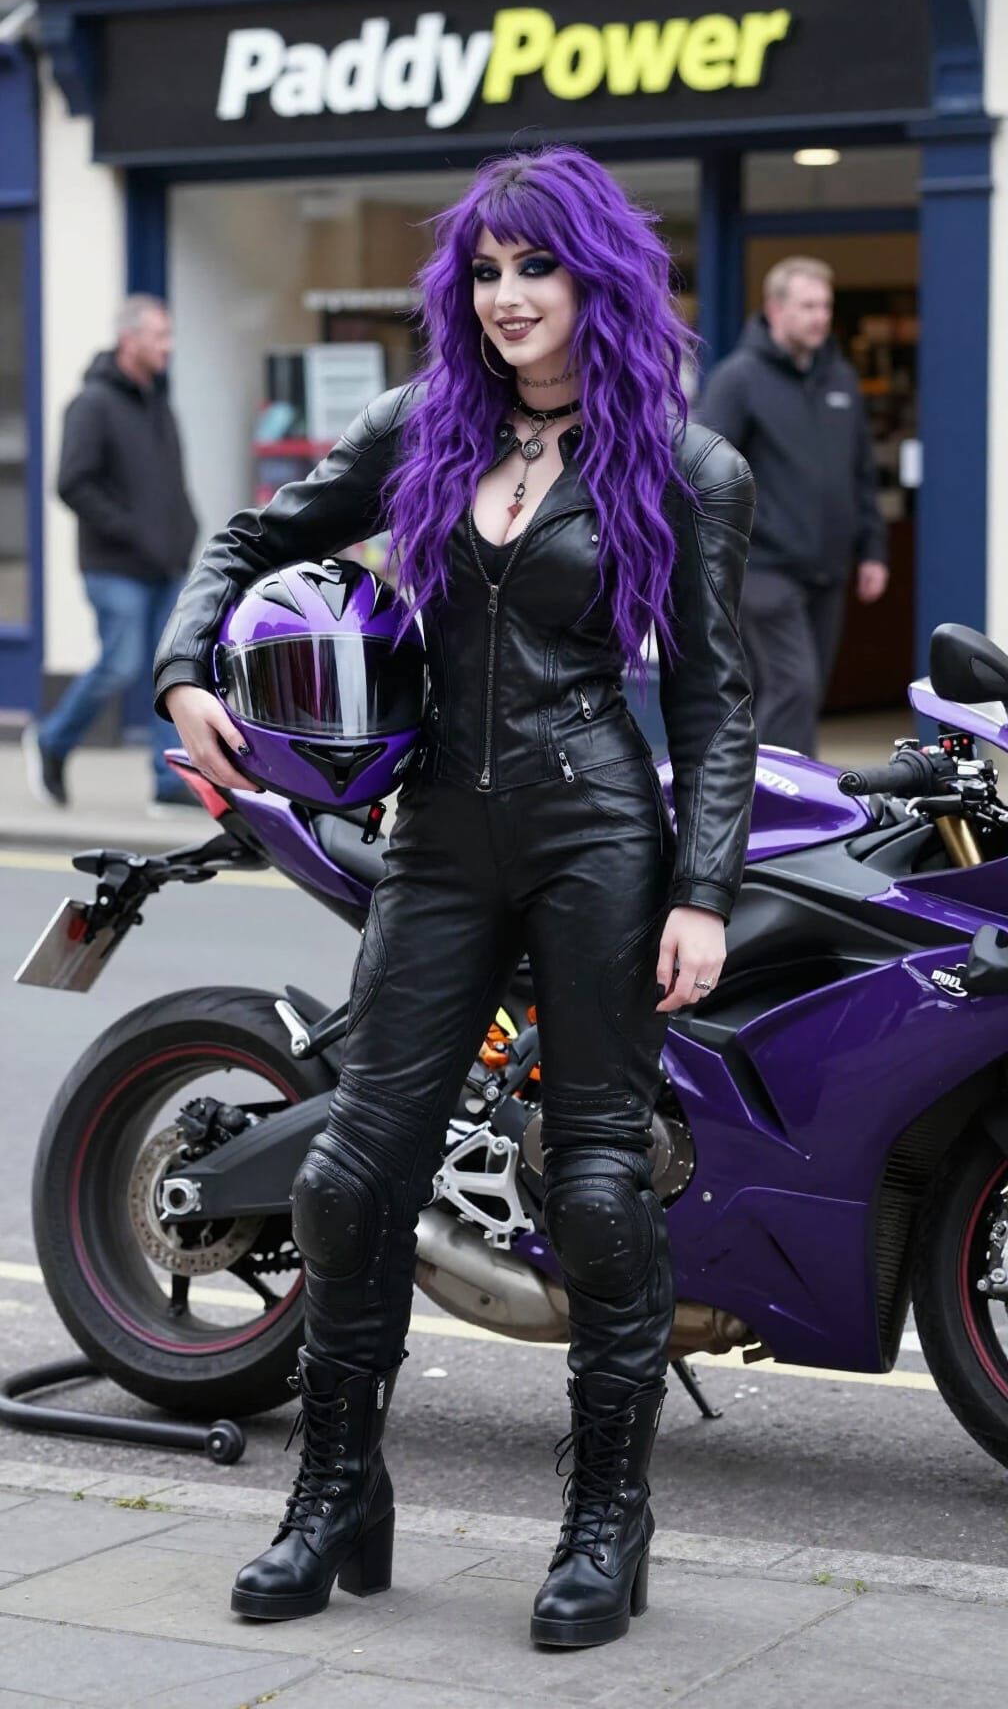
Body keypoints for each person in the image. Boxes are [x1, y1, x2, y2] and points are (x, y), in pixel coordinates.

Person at [153, 145, 757, 1650]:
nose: (504, 298)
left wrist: (704, 891)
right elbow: (245, 540)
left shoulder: (684, 466)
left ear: (595, 277)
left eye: (534, 268)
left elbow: (717, 700)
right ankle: (338, 1495)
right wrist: (182, 671)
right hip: (438, 835)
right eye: (483, 273)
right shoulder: (418, 425)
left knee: (601, 1188)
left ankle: (607, 1525)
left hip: (596, 831)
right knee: (350, 1179)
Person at [695, 256, 889, 757]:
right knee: (793, 687)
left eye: (825, 306)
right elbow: (704, 474)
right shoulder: (739, 379)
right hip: (761, 568)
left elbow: (861, 472)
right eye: (808, 306)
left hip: (827, 570)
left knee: (800, 690)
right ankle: (796, 815)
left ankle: (750, 802)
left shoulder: (841, 379)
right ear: (775, 309)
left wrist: (874, 550)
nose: (821, 317)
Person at [23, 295, 199, 813]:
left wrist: (184, 530)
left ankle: (167, 783)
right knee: (121, 664)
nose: (168, 347)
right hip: (114, 567)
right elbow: (72, 483)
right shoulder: (93, 403)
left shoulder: (156, 401)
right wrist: (133, 531)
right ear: (130, 341)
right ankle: (52, 741)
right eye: (159, 337)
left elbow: (170, 482)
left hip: (165, 565)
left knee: (168, 672)